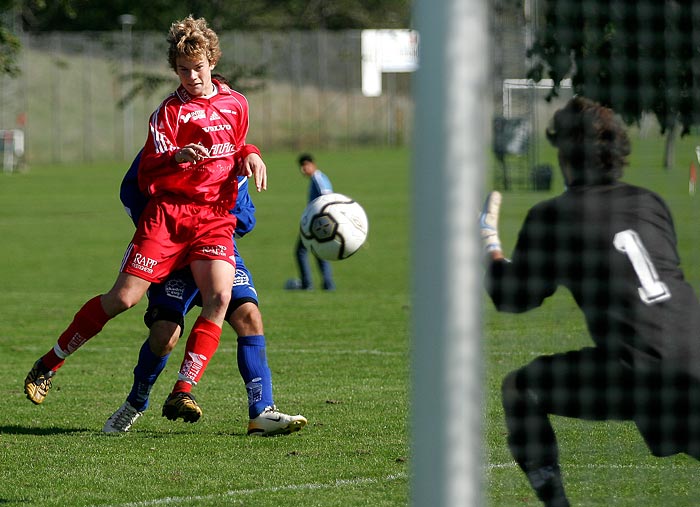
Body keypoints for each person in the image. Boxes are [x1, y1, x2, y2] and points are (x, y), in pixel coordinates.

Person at [24, 16, 267, 424]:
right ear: (174, 69)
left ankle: (183, 391)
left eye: (199, 67)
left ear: (212, 61)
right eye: (183, 69)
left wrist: (251, 154)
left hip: (212, 220)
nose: (192, 76)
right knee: (123, 299)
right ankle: (50, 361)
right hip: (168, 218)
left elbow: (238, 144)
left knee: (221, 298)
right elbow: (146, 169)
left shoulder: (236, 103)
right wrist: (175, 156)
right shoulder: (167, 114)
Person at [481, 96, 700, 507]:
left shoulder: (554, 215)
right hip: (695, 355)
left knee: (521, 388)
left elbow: (512, 298)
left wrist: (489, 248)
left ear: (564, 151)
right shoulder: (650, 202)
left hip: (636, 367)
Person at [101, 149, 307, 436]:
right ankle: (135, 403)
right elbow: (132, 190)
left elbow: (244, 215)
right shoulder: (166, 142)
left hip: (217, 247)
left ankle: (261, 411)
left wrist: (230, 215)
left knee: (249, 316)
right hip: (173, 248)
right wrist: (164, 227)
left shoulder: (232, 148)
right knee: (164, 335)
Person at [288, 153, 335, 290]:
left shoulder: (319, 179)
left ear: (313, 164)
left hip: (317, 223)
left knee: (301, 251)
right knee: (319, 252)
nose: (303, 170)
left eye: (305, 166)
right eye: (301, 167)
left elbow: (327, 198)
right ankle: (327, 285)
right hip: (317, 223)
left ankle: (307, 284)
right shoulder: (315, 179)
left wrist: (322, 219)